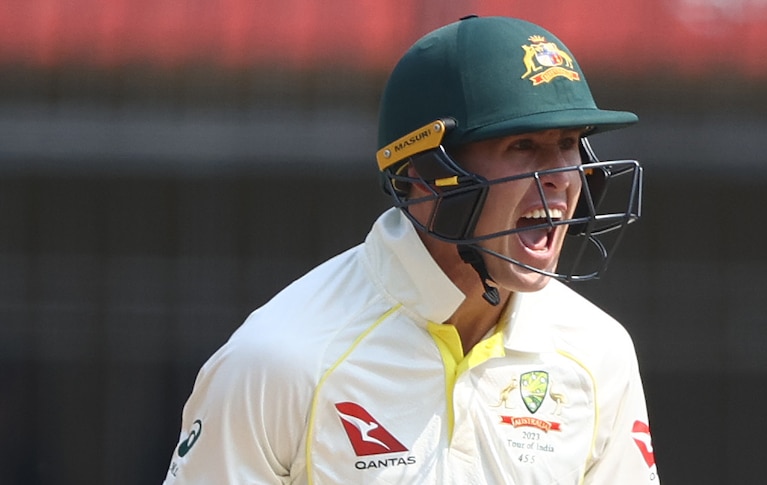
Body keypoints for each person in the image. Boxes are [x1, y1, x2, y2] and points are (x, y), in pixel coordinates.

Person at [163, 15, 658, 484]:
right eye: (523, 146)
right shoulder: (280, 359)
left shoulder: (599, 353)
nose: (559, 178)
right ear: (425, 175)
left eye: (570, 143)